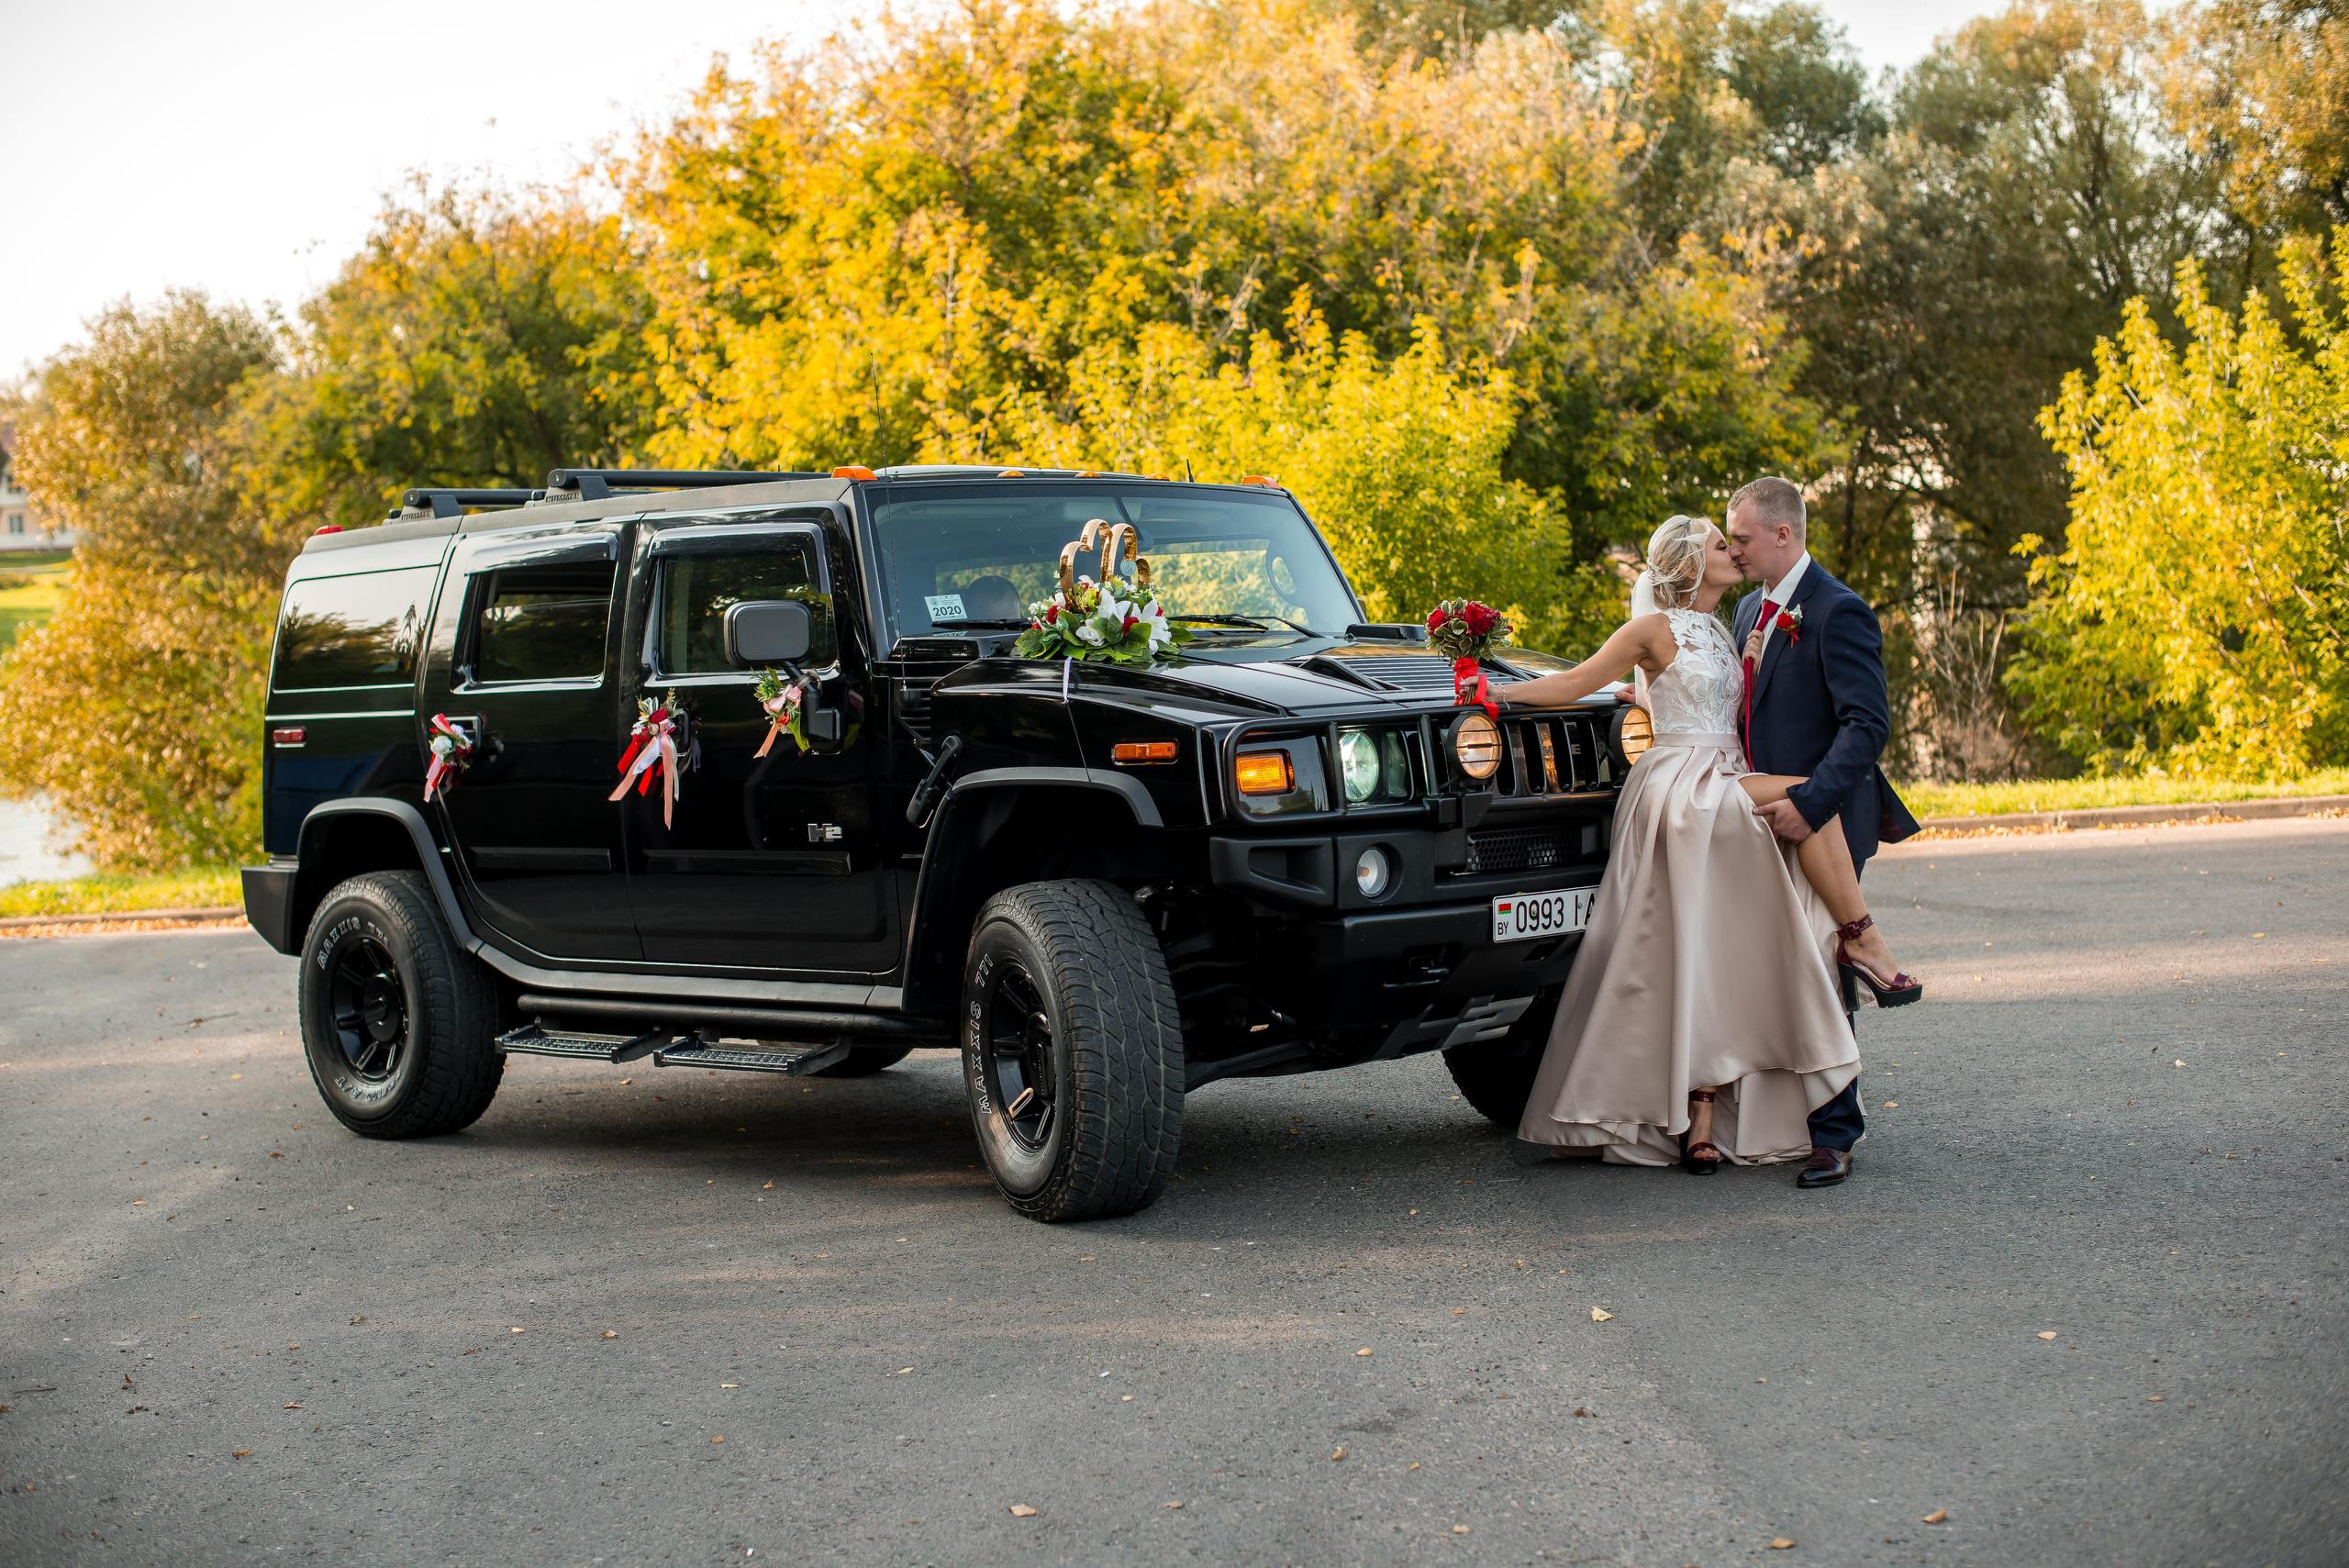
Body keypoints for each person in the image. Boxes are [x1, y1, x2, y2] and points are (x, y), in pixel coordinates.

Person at [1499, 511, 1919, 1176]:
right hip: (1682, 785)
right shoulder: (1652, 628)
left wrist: (1652, 691)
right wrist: (1493, 693)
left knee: (1718, 949)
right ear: (1693, 562)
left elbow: (1698, 700)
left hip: (1727, 774)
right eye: (1725, 544)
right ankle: (1863, 937)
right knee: (1807, 796)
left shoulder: (1730, 626)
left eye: (1738, 540)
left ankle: (1725, 1113)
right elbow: (1576, 682)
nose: (1735, 552)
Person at [1725, 476, 1922, 1187]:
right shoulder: (1748, 608)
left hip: (1825, 819)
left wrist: (1809, 805)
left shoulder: (1839, 610)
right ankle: (1777, 1116)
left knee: (1823, 964)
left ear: (1783, 533)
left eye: (1743, 538)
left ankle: (1835, 1134)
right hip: (1760, 820)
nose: (1734, 550)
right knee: (1780, 964)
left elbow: (1866, 726)